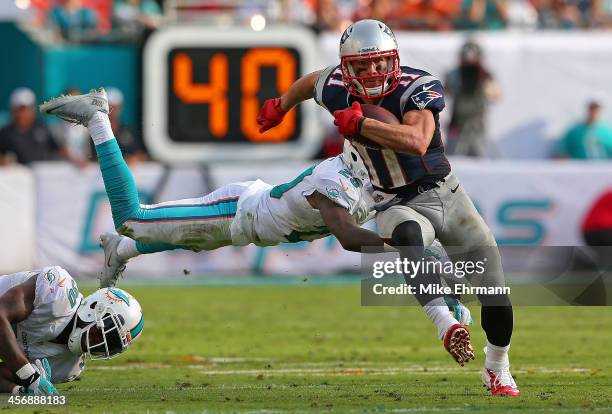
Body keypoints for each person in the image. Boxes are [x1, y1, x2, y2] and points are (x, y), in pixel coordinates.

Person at [256, 19, 518, 396]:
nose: (373, 72)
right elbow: (312, 80)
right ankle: (444, 322)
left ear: (393, 59)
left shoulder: (418, 86)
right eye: (361, 66)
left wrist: (362, 124)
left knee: (496, 293)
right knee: (405, 235)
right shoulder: (336, 86)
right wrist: (282, 104)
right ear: (346, 68)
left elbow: (416, 140)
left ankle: (497, 367)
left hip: (446, 194)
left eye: (380, 63)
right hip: (393, 198)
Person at [0, 265, 144, 395]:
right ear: (95, 307)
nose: (103, 342)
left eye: (113, 343)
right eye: (108, 332)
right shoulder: (59, 293)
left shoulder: (69, 367)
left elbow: (6, 374)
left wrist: (20, 390)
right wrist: (29, 376)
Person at [444, 39, 501, 157]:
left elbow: (495, 95)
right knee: (450, 157)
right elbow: (444, 92)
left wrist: (485, 83)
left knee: (477, 156)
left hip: (476, 124)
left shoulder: (485, 75)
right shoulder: (454, 74)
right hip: (457, 122)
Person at [0, 88, 62, 166]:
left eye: (26, 109)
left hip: (41, 174)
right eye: (20, 110)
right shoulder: (5, 133)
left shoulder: (42, 129)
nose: (23, 114)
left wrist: (73, 159)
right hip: (17, 175)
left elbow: (57, 149)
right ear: (13, 111)